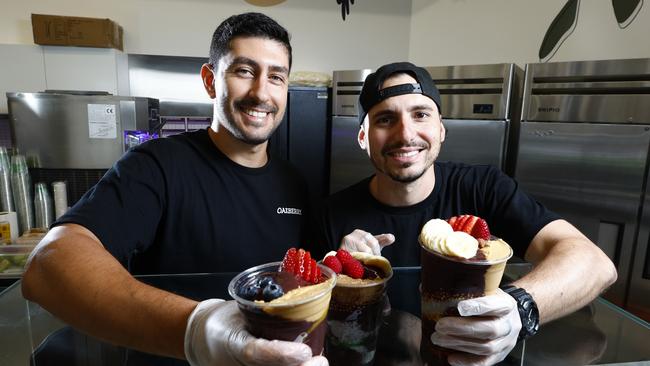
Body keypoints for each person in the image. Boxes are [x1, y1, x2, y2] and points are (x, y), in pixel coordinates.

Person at [22, 13, 327, 366]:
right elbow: (48, 265)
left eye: (276, 77)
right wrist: (200, 330)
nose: (261, 92)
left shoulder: (296, 184)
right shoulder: (157, 166)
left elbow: (312, 283)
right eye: (244, 71)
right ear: (210, 81)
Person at [315, 62, 617, 365]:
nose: (405, 133)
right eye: (385, 119)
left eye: (420, 115)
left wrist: (519, 307)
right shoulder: (332, 214)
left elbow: (595, 263)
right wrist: (339, 286)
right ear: (363, 138)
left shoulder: (483, 188)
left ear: (441, 128)